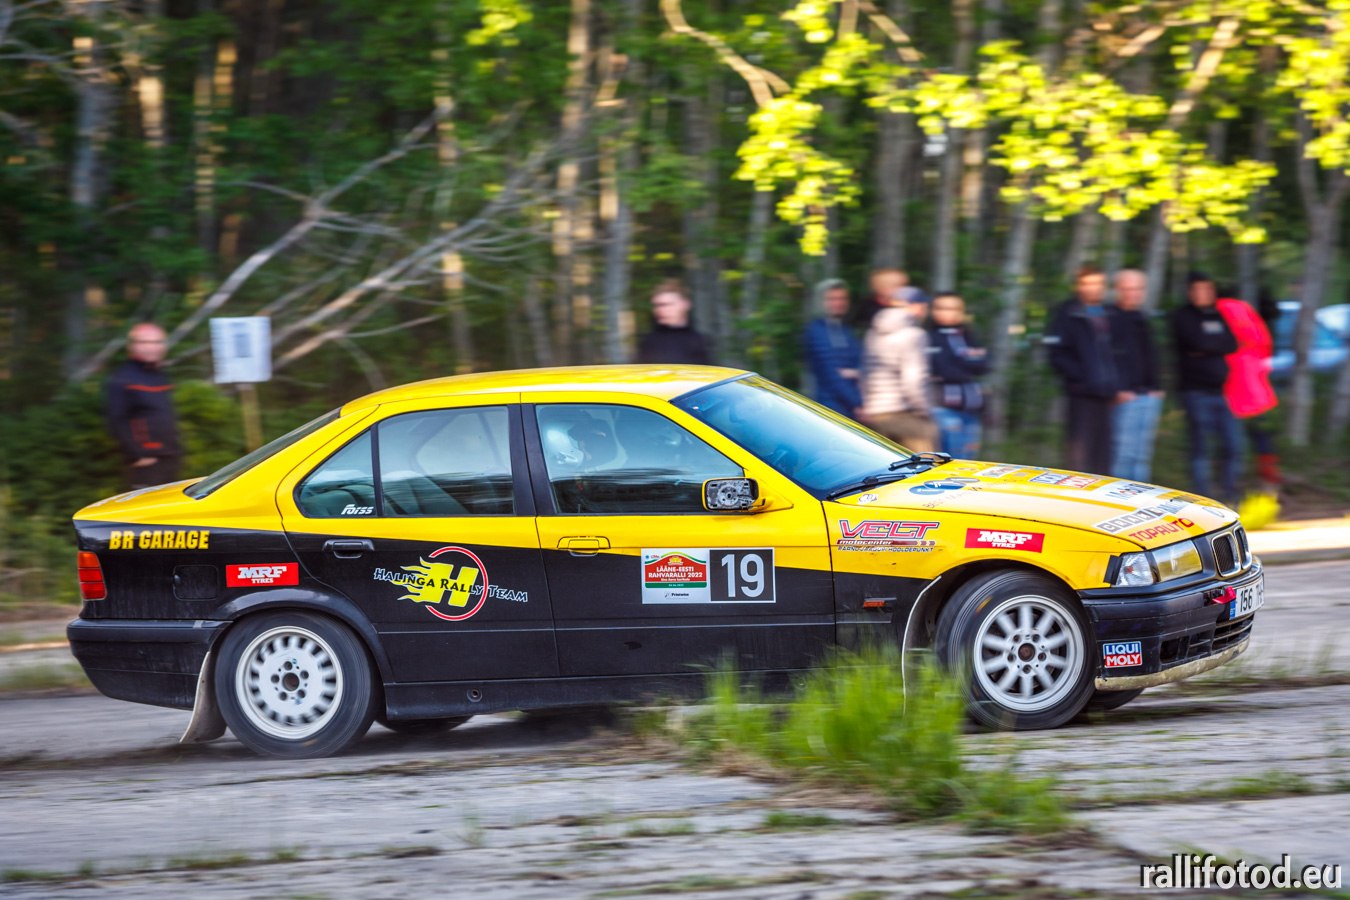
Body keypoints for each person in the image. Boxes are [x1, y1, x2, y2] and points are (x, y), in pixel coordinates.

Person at [1173, 271, 1241, 503]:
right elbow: (1196, 341)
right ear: (1190, 292)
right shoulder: (1183, 316)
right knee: (1201, 448)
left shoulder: (1217, 314)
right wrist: (1211, 344)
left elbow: (1231, 343)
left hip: (1222, 392)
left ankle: (1230, 496)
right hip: (1195, 392)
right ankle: (1204, 500)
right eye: (1198, 289)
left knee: (1232, 446)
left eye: (1207, 289)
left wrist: (1206, 346)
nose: (1203, 293)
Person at [1047, 265, 1121, 474]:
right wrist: (1082, 378)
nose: (1092, 288)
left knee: (1104, 452)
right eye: (1087, 284)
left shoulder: (1110, 312)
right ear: (1078, 286)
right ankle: (1077, 489)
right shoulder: (1066, 312)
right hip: (1081, 393)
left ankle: (1104, 489)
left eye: (1097, 283)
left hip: (1108, 393)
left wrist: (1119, 382)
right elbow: (1056, 353)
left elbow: (1120, 351)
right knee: (1079, 452)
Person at [1216, 292, 1280, 489]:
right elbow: (1264, 342)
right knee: (1260, 432)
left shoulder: (1221, 309)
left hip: (1236, 387)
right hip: (1255, 384)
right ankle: (1266, 476)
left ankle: (1235, 483)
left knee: (1233, 438)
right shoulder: (1243, 310)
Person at [862, 285, 937, 451]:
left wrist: (867, 406)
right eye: (924, 305)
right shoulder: (914, 335)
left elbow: (866, 374)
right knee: (926, 463)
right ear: (915, 306)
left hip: (877, 414)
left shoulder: (872, 333)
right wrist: (923, 409)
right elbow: (913, 379)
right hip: (905, 413)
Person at [107, 322, 181, 489]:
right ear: (132, 346)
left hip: (171, 457)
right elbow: (116, 420)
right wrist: (136, 455)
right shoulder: (124, 378)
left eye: (157, 342)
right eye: (145, 342)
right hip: (147, 462)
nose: (152, 347)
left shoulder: (159, 375)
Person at [1108, 269, 1164, 482]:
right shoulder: (1110, 319)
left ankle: (1141, 499)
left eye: (1138, 289)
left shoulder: (1142, 317)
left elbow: (1150, 355)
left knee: (1141, 456)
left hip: (1148, 397)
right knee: (1122, 455)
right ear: (1117, 290)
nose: (1133, 293)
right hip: (1125, 398)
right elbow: (1106, 358)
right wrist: (1118, 390)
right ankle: (1117, 499)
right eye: (1127, 289)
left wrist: (1156, 388)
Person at [927, 292, 988, 458]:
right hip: (942, 407)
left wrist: (959, 364)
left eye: (954, 309)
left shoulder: (968, 336)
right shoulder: (927, 337)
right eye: (942, 308)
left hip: (971, 407)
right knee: (950, 458)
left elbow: (983, 365)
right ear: (933, 311)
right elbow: (943, 369)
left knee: (969, 460)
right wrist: (965, 360)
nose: (949, 313)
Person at [803, 279, 863, 419]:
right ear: (820, 302)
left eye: (842, 298)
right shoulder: (817, 331)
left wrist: (857, 373)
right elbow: (831, 373)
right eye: (832, 299)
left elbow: (859, 364)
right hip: (830, 409)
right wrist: (856, 404)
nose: (838, 303)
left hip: (852, 406)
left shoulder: (846, 329)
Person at [636, 280, 712, 365]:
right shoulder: (649, 341)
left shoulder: (699, 341)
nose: (660, 309)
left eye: (667, 304)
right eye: (657, 305)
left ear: (685, 304)